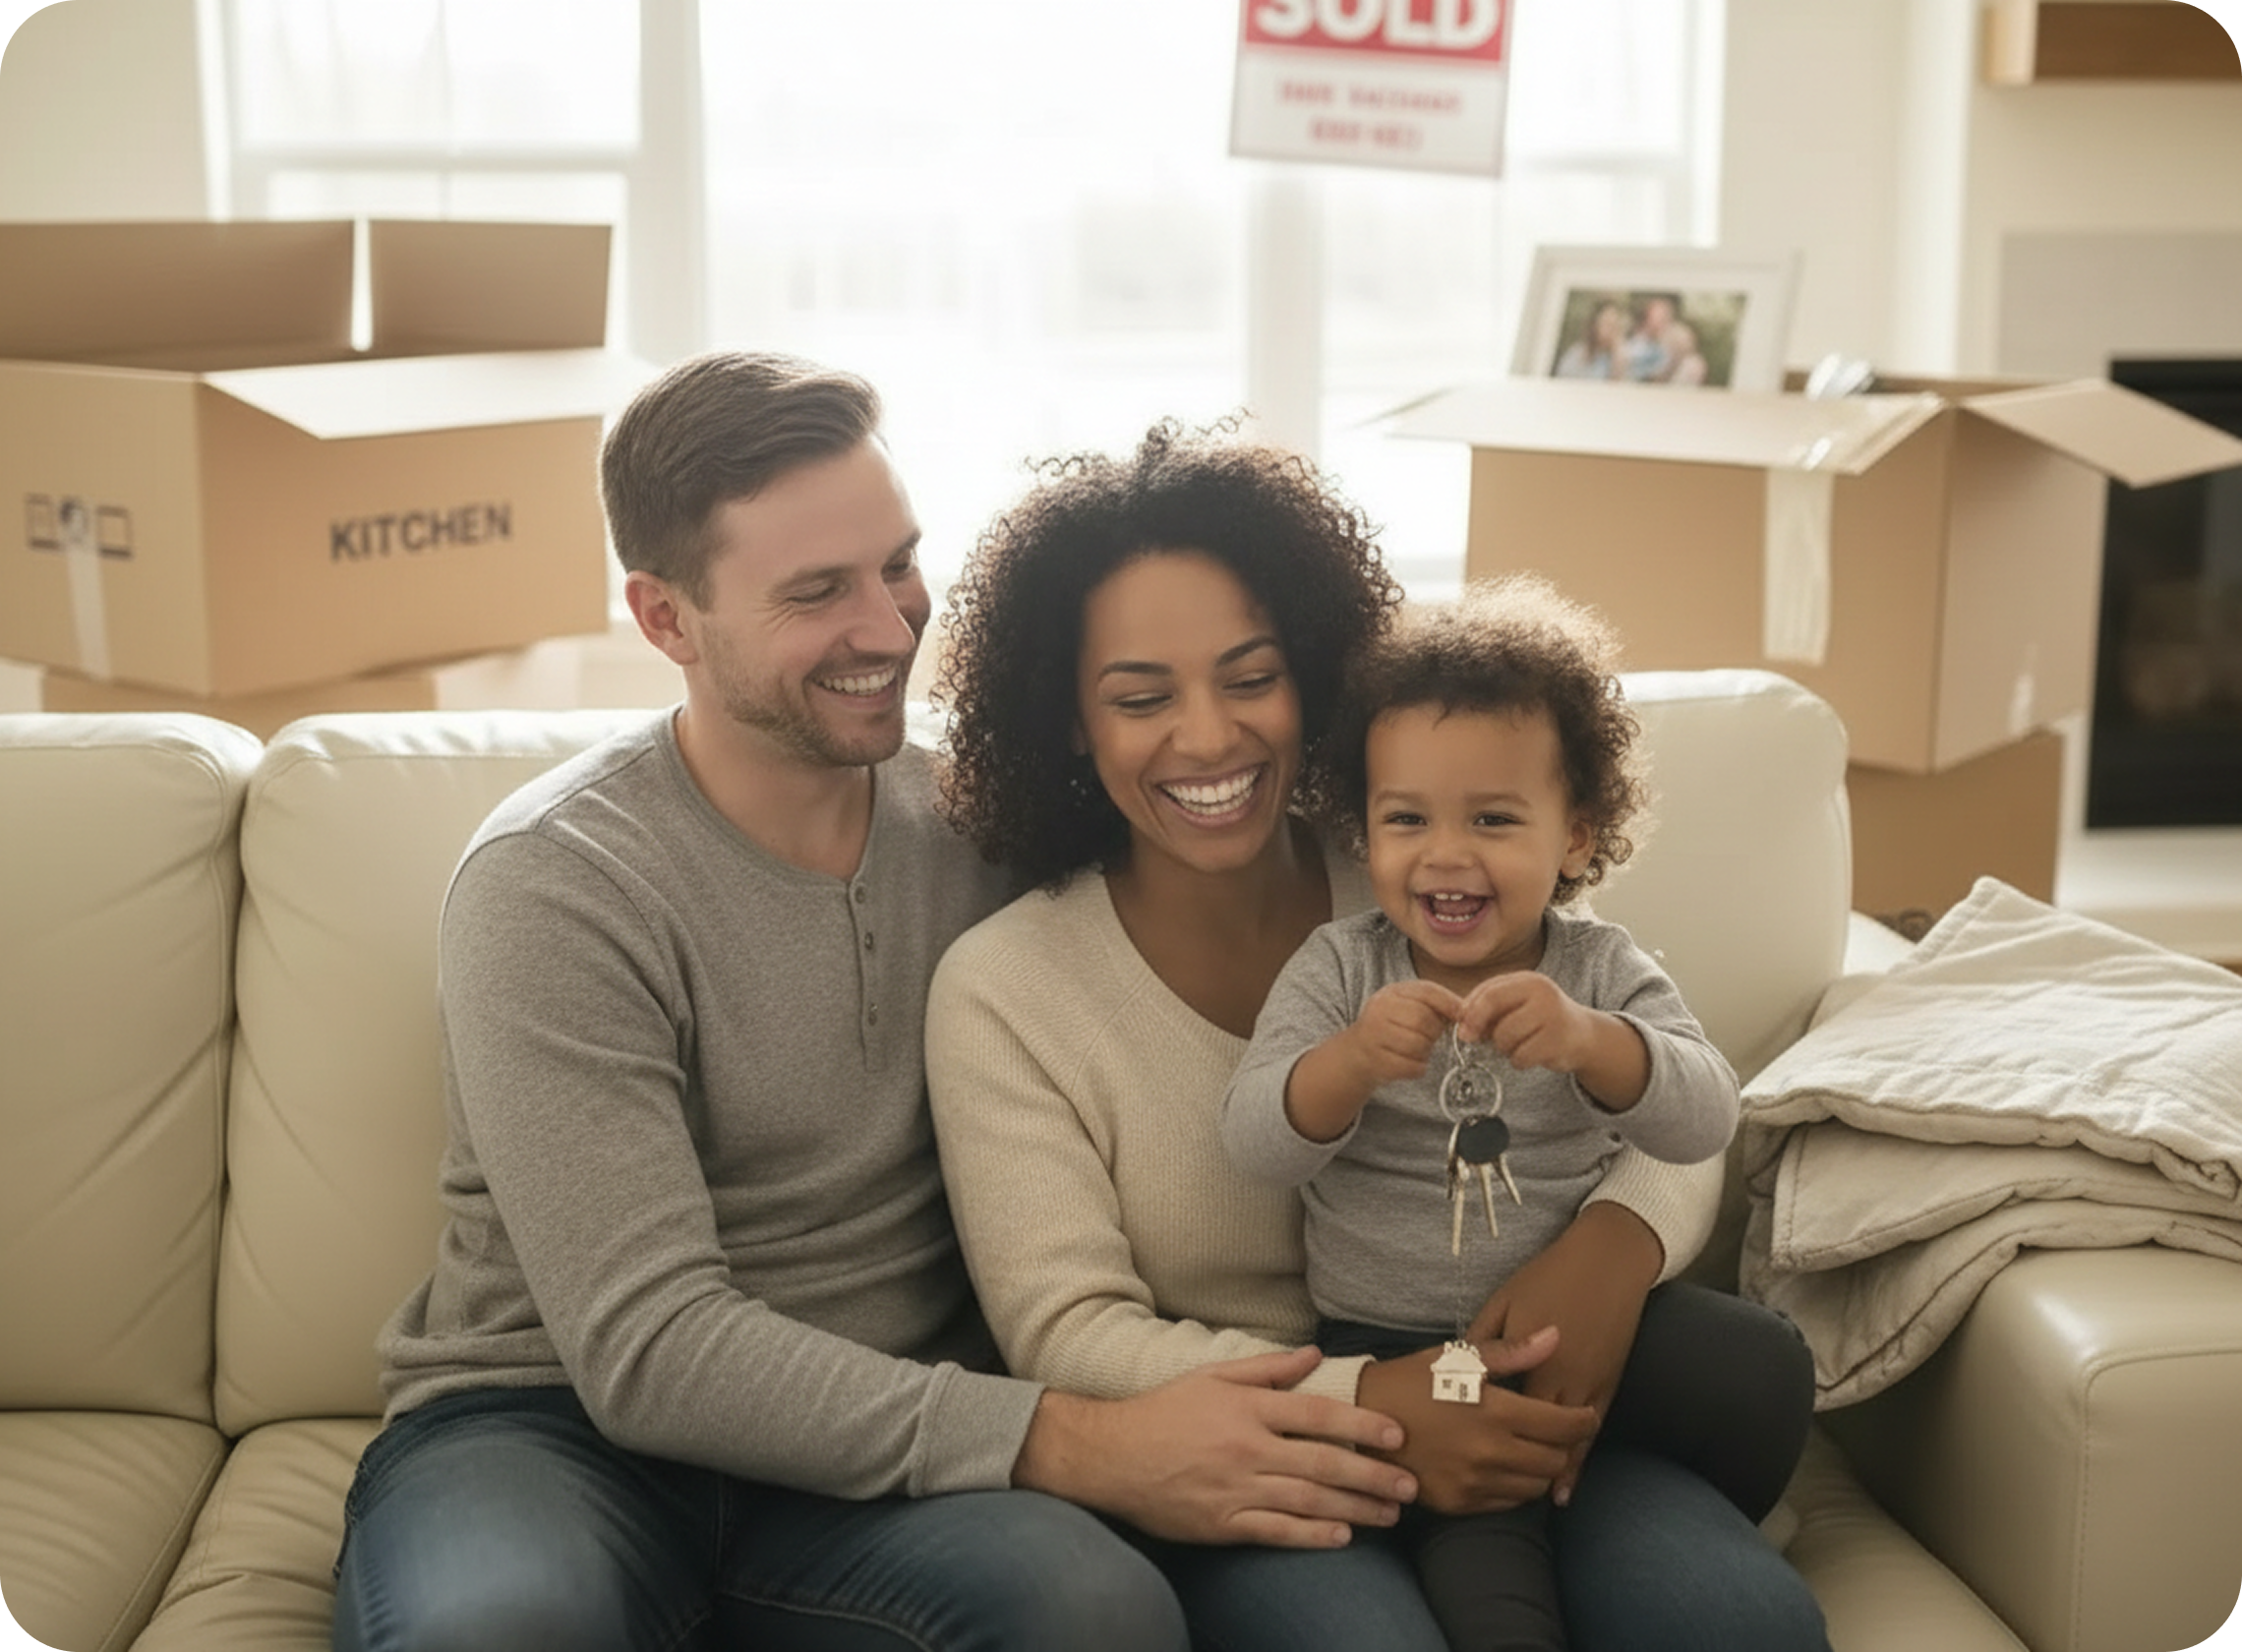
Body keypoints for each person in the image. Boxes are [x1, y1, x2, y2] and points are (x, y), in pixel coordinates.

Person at [328, 353, 1426, 1652]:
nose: (893, 626)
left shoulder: (992, 819)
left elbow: (1220, 793)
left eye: (897, 563)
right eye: (817, 593)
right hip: (552, 1432)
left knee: (1093, 1613)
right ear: (666, 619)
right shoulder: (558, 885)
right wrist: (1076, 1441)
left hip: (894, 1452)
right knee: (500, 1634)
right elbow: (650, 1348)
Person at [925, 421, 1831, 1652]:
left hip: (1523, 1392)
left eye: (1251, 677)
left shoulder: (1430, 851)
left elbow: (1657, 1089)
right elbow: (1068, 1336)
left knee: (1741, 1627)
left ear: (1311, 672)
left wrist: (1612, 1252)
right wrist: (1380, 1397)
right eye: (1142, 698)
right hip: (1274, 1448)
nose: (1206, 737)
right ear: (1072, 723)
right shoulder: (1010, 989)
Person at [1221, 575, 1805, 1650]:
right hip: (1413, 1349)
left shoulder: (1602, 966)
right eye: (1407, 820)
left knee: (1759, 1362)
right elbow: (1253, 1142)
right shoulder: (1342, 969)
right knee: (1491, 1558)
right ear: (1367, 832)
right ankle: (1510, 1529)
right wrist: (1347, 1065)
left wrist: (1595, 1045)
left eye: (1493, 818)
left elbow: (1707, 1114)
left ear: (1575, 838)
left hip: (1582, 1339)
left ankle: (1617, 1481)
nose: (1446, 854)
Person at [1551, 300, 1627, 380]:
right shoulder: (1576, 354)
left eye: (1615, 325)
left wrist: (1618, 360)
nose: (1612, 330)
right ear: (1594, 325)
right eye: (1607, 324)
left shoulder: (1619, 357)